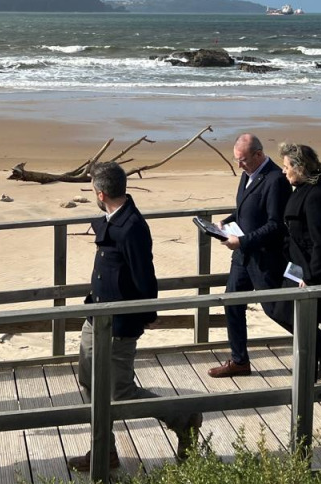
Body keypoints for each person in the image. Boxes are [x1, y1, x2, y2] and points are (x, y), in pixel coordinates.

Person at [68, 162, 203, 473]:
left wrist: (147, 314)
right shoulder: (114, 218)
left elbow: (145, 276)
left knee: (121, 392)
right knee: (89, 381)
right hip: (96, 315)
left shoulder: (132, 226)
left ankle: (184, 418)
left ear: (100, 194)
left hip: (120, 323)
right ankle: (104, 450)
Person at [208, 134, 294, 378]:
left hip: (265, 257)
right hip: (242, 257)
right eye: (236, 160)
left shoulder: (276, 179)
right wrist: (226, 222)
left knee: (276, 309)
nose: (239, 165)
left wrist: (242, 241)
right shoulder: (248, 173)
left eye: (243, 160)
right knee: (232, 303)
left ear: (258, 154)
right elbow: (245, 210)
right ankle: (239, 361)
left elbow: (276, 225)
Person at [277, 142, 321, 382]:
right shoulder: (303, 187)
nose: (283, 171)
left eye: (287, 166)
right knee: (284, 312)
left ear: (300, 167)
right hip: (298, 266)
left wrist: (311, 278)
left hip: (314, 271)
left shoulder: (317, 194)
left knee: (297, 317)